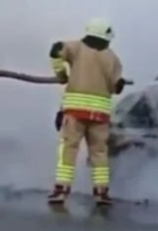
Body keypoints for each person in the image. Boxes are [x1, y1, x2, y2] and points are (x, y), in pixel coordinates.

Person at [47, 17, 126, 207]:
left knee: (68, 150)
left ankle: (61, 190)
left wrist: (61, 75)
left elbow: (55, 50)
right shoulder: (112, 58)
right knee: (99, 152)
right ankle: (101, 193)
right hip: (99, 115)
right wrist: (119, 84)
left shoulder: (75, 48)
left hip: (75, 112)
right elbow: (116, 87)